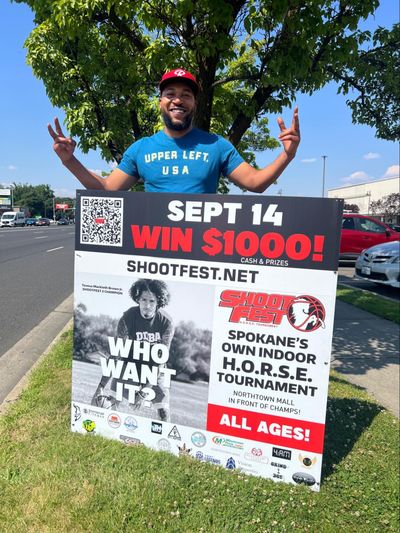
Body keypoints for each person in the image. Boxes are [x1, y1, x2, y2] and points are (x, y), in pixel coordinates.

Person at [48, 68, 300, 193]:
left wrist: (286, 155)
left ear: (194, 103)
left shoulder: (217, 145)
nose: (178, 100)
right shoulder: (141, 148)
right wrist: (69, 160)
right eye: (170, 94)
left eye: (186, 95)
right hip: (154, 256)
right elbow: (107, 189)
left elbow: (255, 183)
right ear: (160, 102)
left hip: (203, 258)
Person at [92, 279, 174, 421]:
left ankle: (164, 440)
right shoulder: (128, 317)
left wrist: (144, 392)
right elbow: (117, 352)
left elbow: (160, 360)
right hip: (130, 365)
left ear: (159, 302)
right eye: (143, 299)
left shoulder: (166, 322)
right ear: (138, 299)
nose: (147, 305)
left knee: (164, 411)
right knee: (111, 400)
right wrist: (100, 386)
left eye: (152, 301)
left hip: (154, 368)